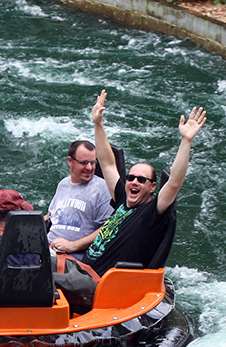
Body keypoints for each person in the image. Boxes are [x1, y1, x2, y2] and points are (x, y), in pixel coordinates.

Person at [82, 89, 207, 276]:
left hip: (101, 285)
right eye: (131, 178)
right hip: (83, 270)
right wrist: (98, 124)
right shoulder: (123, 198)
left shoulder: (151, 213)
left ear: (152, 187)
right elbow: (107, 163)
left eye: (141, 180)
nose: (134, 182)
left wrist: (186, 140)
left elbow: (174, 182)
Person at [47, 140, 113, 260]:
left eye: (93, 162)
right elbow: (51, 216)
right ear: (70, 161)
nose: (89, 167)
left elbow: (108, 228)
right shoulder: (63, 184)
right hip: (47, 249)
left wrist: (72, 246)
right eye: (84, 162)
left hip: (70, 259)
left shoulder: (102, 188)